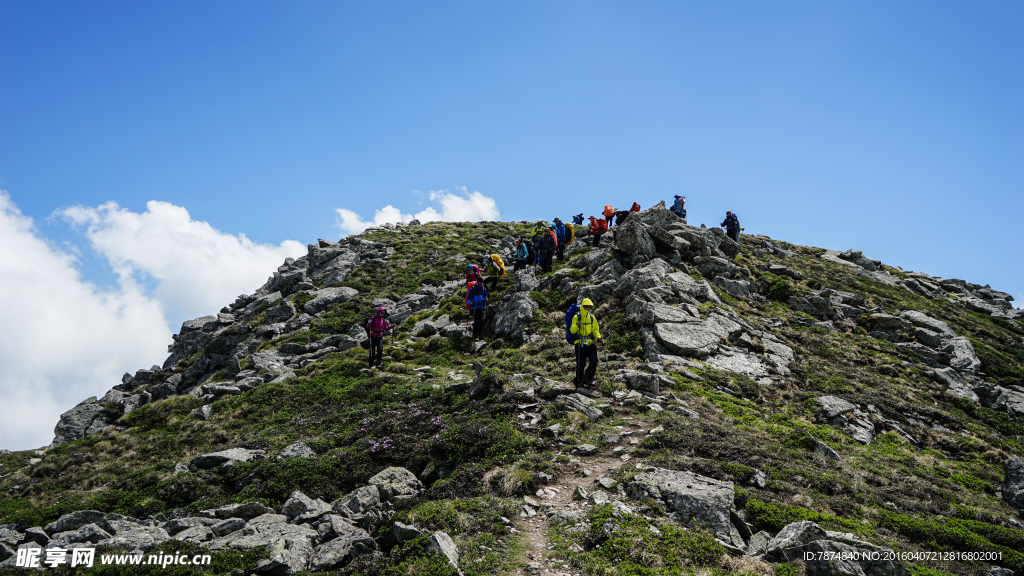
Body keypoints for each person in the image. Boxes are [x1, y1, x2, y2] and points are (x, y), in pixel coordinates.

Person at [570, 298, 603, 387]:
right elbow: (572, 330)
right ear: (582, 306)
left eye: (589, 306)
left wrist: (598, 337)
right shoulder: (577, 317)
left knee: (594, 361)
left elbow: (595, 330)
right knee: (581, 363)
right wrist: (577, 325)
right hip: (579, 343)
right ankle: (578, 381)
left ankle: (587, 378)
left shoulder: (592, 317)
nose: (587, 308)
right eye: (586, 306)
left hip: (589, 342)